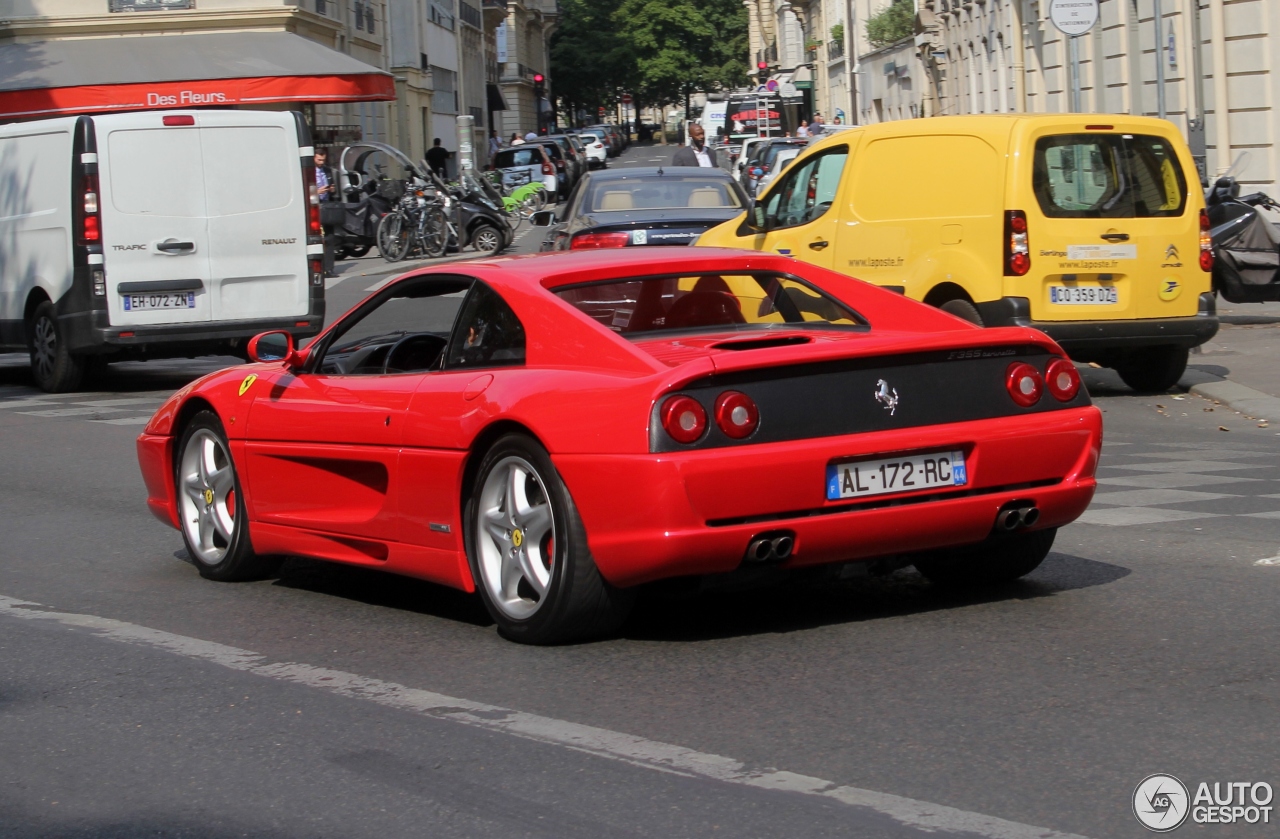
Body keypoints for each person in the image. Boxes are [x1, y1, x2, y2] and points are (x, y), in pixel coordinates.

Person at [314, 149, 338, 278]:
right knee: (317, 239)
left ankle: (329, 268)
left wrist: (332, 190)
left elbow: (333, 190)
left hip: (327, 206)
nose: (321, 162)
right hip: (315, 207)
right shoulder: (308, 171)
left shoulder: (327, 170)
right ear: (313, 158)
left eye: (323, 160)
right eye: (319, 160)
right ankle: (319, 268)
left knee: (329, 238)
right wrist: (317, 192)